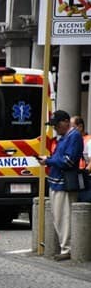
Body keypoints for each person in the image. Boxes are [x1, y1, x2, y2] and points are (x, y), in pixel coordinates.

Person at [38, 110, 84, 260]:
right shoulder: (65, 137)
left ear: (65, 122)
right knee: (59, 216)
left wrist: (49, 161)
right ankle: (64, 247)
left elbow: (68, 161)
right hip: (57, 182)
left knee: (64, 216)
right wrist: (49, 159)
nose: (55, 128)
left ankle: (67, 248)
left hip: (64, 183)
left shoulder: (74, 137)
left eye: (56, 125)